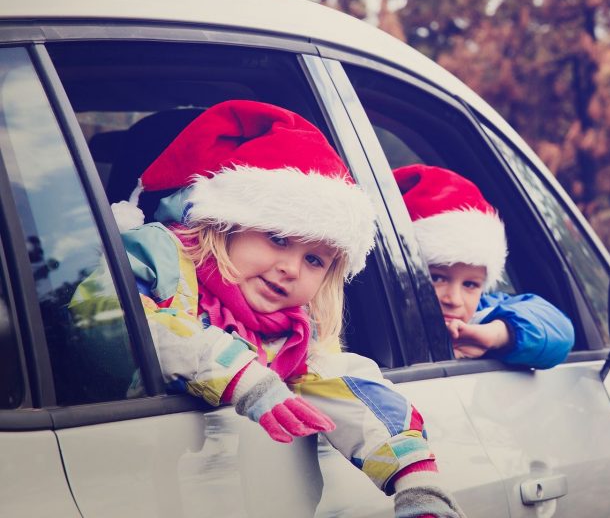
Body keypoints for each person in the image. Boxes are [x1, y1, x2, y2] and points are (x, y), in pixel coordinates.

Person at [104, 100, 463, 518]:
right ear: (226, 224)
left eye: (315, 260)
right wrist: (243, 376)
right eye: (277, 238)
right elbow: (114, 321)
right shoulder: (159, 256)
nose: (291, 268)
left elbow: (346, 386)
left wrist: (416, 477)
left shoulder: (288, 336)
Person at [393, 164, 574, 370]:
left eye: (470, 284)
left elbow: (561, 331)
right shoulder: (382, 322)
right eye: (437, 278)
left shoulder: (482, 315)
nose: (454, 299)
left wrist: (497, 334)